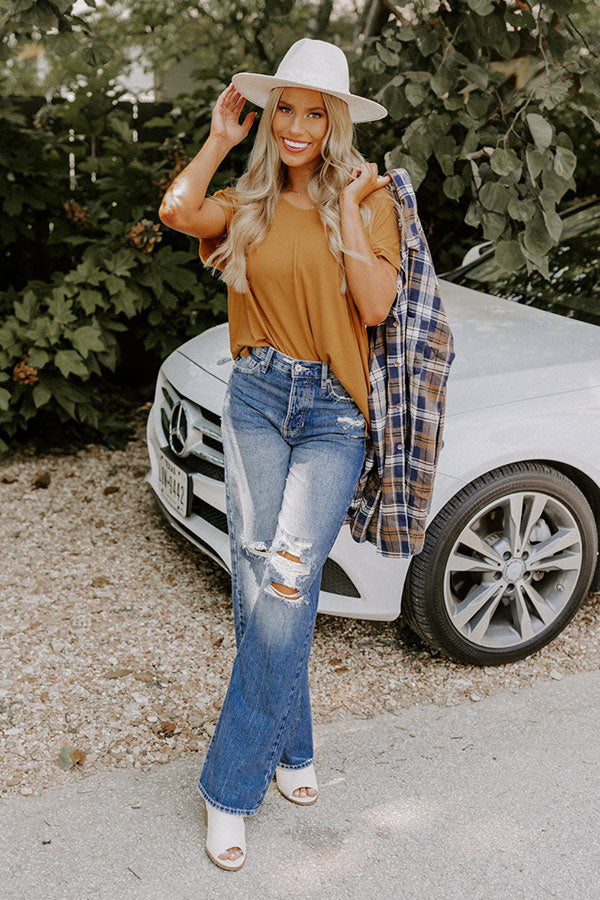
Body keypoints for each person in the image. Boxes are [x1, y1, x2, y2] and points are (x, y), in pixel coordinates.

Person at [158, 38, 403, 871]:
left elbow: (375, 306)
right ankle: (292, 748)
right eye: (285, 110)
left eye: (314, 114)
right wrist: (219, 139)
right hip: (257, 399)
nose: (297, 126)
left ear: (336, 124)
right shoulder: (250, 201)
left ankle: (228, 788)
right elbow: (177, 211)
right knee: (257, 581)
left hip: (333, 417)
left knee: (287, 583)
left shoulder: (369, 201)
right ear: (270, 119)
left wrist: (347, 212)